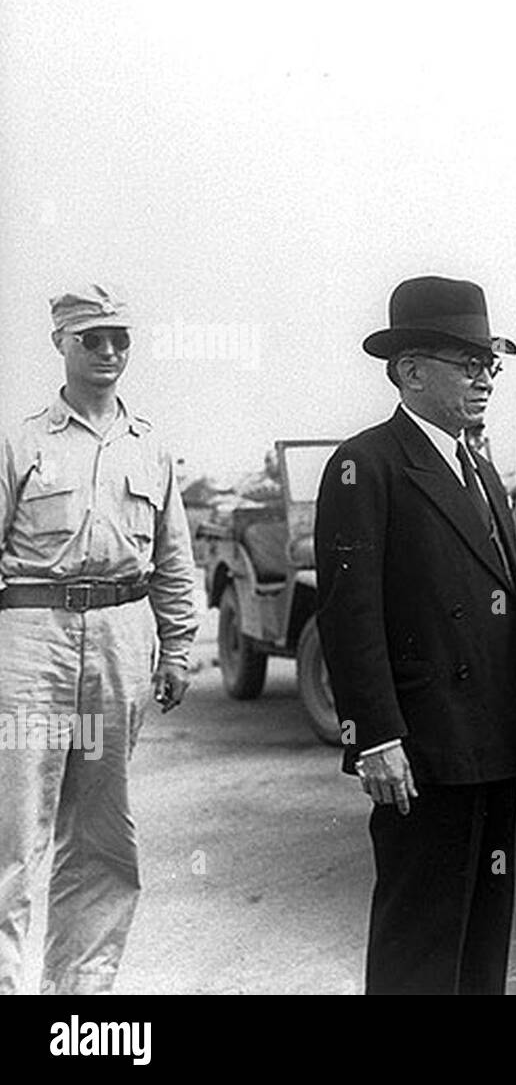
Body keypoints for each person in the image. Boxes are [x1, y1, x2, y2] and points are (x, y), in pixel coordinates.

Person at [314, 275, 516, 995]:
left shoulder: (478, 467)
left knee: (483, 933)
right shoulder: (368, 464)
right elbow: (350, 618)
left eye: (490, 366)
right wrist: (375, 737)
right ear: (410, 370)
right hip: (422, 745)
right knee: (421, 941)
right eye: (467, 364)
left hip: (492, 739)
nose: (485, 381)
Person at [0, 283, 197, 995]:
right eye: (92, 339)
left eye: (119, 338)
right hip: (31, 638)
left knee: (103, 836)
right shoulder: (19, 440)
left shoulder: (150, 446)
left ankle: (77, 1002)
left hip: (120, 634)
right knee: (15, 832)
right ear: (61, 343)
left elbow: (173, 558)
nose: (109, 351)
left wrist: (177, 647)